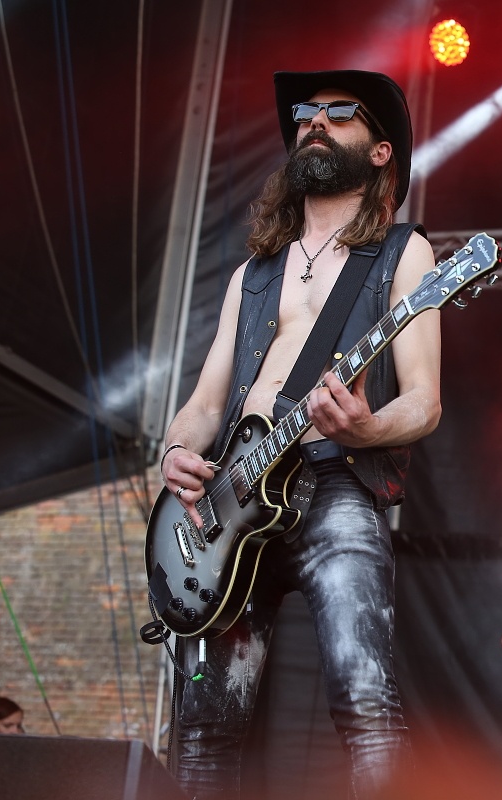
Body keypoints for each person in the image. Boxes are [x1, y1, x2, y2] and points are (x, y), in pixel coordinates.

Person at [157, 69, 440, 800]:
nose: (315, 120)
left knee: (366, 702)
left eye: (340, 113)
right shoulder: (253, 274)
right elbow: (204, 404)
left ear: (380, 151)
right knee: (203, 727)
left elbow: (425, 402)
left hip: (335, 484)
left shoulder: (403, 252)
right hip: (231, 507)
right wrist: (176, 451)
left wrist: (368, 426)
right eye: (306, 112)